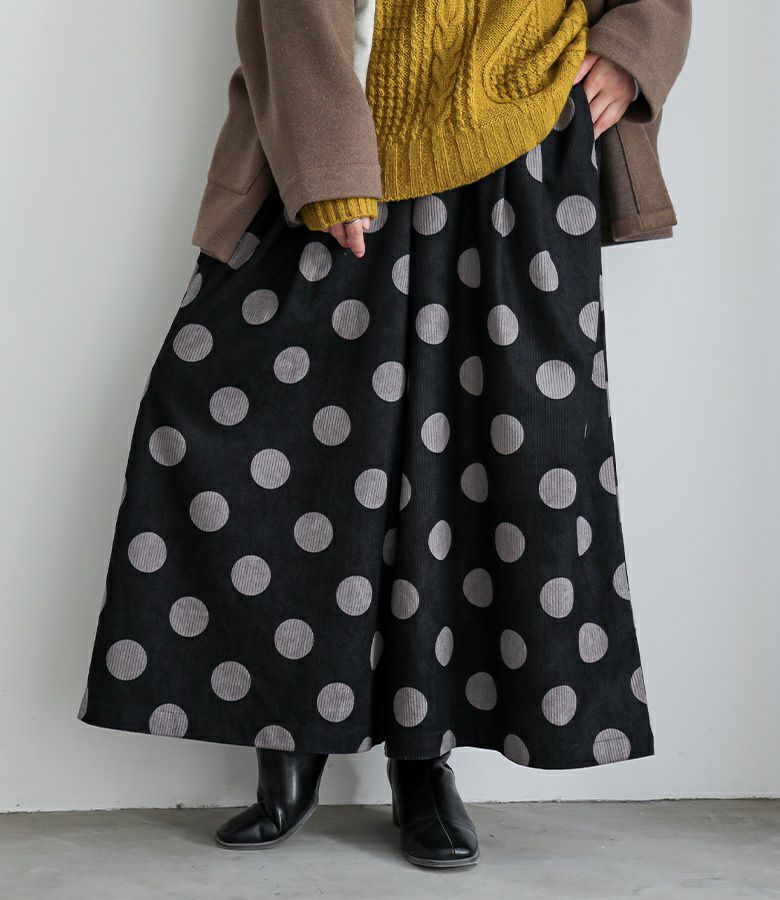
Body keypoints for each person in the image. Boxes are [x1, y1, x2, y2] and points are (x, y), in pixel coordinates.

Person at [78, 0, 692, 869]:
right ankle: (289, 734)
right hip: (339, 136)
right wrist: (327, 162)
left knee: (488, 461)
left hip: (523, 141)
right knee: (278, 443)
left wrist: (634, 48)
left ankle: (423, 758)